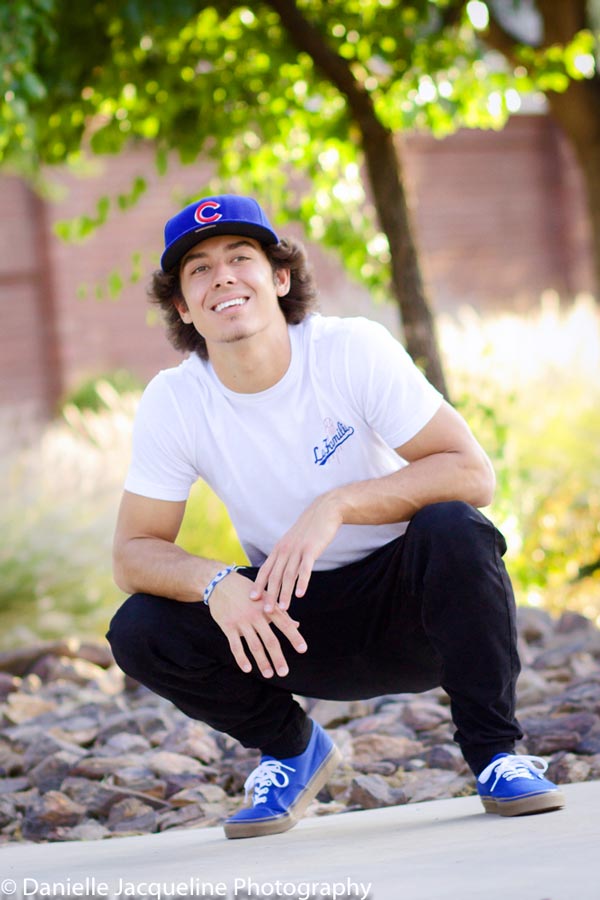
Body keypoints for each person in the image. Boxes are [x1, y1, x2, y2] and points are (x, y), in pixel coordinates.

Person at [107, 193, 565, 840]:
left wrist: (339, 504)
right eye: (200, 270)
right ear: (183, 306)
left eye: (241, 258)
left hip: (417, 613)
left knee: (454, 527)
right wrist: (216, 584)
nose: (224, 278)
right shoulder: (175, 401)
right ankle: (293, 750)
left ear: (280, 277)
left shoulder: (350, 350)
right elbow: (133, 553)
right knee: (140, 626)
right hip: (291, 627)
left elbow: (472, 473)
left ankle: (496, 756)